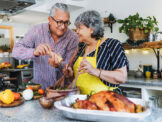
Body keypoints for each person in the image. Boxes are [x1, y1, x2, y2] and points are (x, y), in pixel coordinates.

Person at [12, 3, 78, 89]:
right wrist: (34, 52)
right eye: (59, 22)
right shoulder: (36, 30)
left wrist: (59, 65)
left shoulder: (72, 37)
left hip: (62, 89)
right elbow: (16, 51)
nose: (62, 27)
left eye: (66, 22)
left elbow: (69, 64)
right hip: (40, 90)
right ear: (50, 19)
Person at [64, 10, 128, 95]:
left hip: (105, 101)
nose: (77, 32)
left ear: (91, 29)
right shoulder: (81, 48)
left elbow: (122, 77)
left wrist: (96, 71)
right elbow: (79, 78)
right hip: (81, 101)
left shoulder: (112, 45)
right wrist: (70, 75)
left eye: (80, 28)